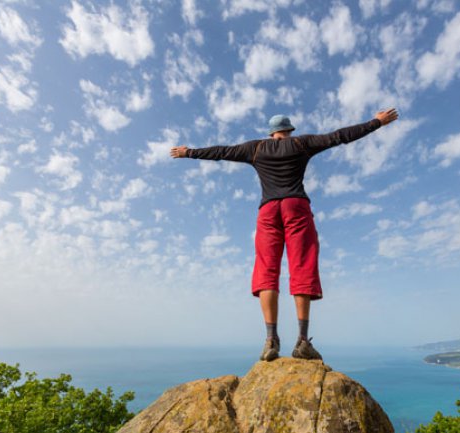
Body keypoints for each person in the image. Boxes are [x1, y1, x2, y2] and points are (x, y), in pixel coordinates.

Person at [170, 108, 399, 362]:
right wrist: (376, 122)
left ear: (271, 133)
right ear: (289, 131)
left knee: (266, 270)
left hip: (268, 210)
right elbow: (340, 136)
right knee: (302, 266)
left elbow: (221, 152)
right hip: (296, 206)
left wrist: (188, 152)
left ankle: (270, 340)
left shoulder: (255, 148)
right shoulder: (301, 143)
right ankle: (302, 342)